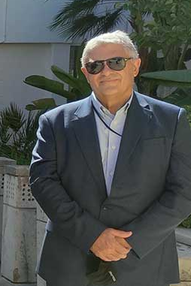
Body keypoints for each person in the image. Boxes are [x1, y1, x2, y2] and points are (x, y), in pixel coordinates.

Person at [30, 31, 191, 286]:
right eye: (95, 66)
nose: (106, 71)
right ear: (86, 73)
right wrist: (93, 236)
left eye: (116, 62)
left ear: (135, 66)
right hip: (70, 262)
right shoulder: (55, 122)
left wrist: (130, 242)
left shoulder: (170, 120)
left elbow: (184, 190)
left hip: (144, 262)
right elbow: (42, 182)